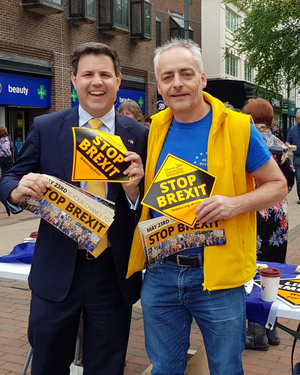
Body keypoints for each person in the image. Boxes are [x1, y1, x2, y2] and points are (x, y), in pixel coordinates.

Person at [127, 38, 287, 375]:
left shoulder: (238, 127)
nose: (177, 83)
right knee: (164, 368)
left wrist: (234, 204)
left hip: (218, 274)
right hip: (161, 269)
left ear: (202, 79)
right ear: (158, 85)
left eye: (186, 74)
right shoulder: (154, 128)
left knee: (226, 369)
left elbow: (277, 185)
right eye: (167, 77)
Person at [0, 42, 148, 375]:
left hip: (112, 273)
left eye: (105, 74)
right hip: (56, 272)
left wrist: (134, 192)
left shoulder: (140, 135)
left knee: (107, 367)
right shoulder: (47, 127)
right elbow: (10, 176)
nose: (97, 81)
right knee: (48, 364)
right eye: (88, 74)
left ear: (118, 80)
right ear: (72, 80)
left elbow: (149, 209)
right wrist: (16, 191)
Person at [243, 98, 295, 350]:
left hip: (253, 213)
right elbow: (290, 181)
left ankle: (255, 333)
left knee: (252, 273)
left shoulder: (246, 140)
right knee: (272, 271)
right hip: (278, 217)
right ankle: (271, 330)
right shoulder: (281, 146)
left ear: (249, 116)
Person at [286, 109, 300, 204]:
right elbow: (288, 140)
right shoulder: (293, 129)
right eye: (297, 118)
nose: (299, 120)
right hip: (297, 157)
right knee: (299, 179)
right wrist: (287, 144)